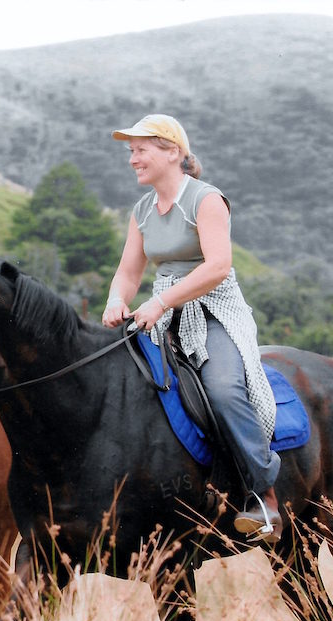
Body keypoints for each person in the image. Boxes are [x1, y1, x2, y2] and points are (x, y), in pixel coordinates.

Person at [100, 114, 282, 544]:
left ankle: (263, 496)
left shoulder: (206, 199)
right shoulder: (142, 210)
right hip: (159, 310)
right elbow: (129, 271)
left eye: (141, 149)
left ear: (173, 152)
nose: (133, 159)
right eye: (131, 151)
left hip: (214, 307)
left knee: (222, 388)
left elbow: (218, 266)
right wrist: (115, 300)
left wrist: (161, 300)